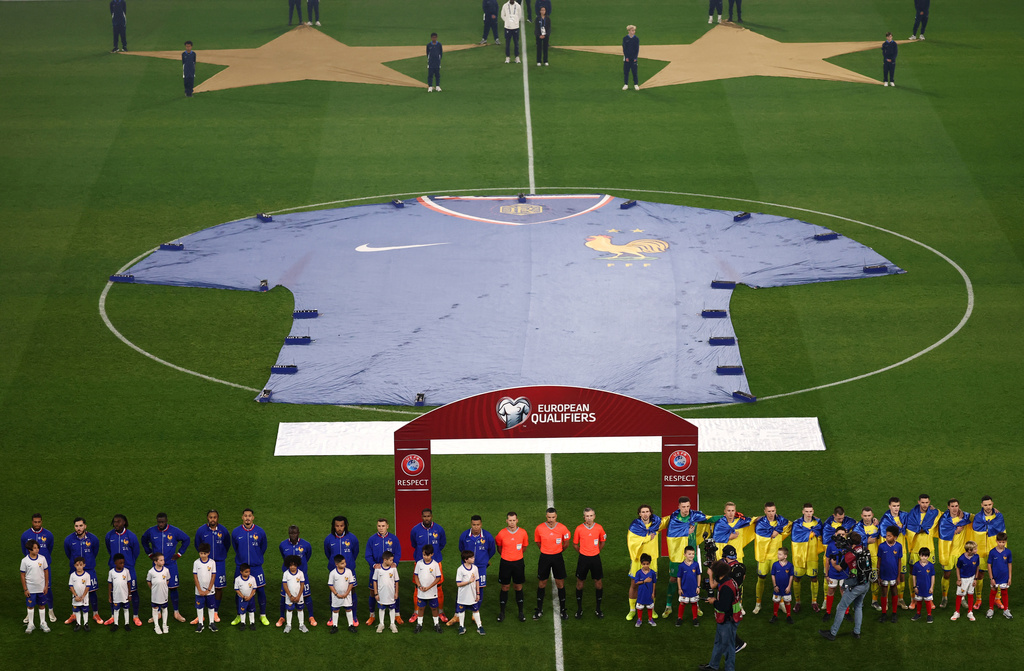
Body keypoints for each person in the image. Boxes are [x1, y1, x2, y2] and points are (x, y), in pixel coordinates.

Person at [660, 497, 708, 618]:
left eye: (688, 506)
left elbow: (709, 518)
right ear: (679, 507)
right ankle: (668, 605)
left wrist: (725, 517)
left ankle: (696, 606)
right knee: (673, 579)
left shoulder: (694, 516)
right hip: (677, 554)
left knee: (693, 577)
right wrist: (686, 531)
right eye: (683, 507)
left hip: (691, 553)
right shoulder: (674, 519)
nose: (686, 509)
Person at [818, 532, 870, 640]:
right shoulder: (865, 549)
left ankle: (832, 633)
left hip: (855, 585)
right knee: (858, 606)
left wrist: (833, 563)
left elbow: (839, 568)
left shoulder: (849, 555)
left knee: (841, 607)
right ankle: (857, 632)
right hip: (865, 583)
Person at [141, 512, 190, 624]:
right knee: (156, 588)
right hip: (156, 566)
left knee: (173, 588)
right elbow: (143, 540)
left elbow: (186, 539)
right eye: (159, 522)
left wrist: (179, 554)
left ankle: (176, 612)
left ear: (166, 521)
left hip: (170, 565)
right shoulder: (151, 531)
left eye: (162, 522)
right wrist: (149, 553)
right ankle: (157, 613)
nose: (161, 524)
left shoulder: (174, 531)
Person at [698, 560, 740, 671]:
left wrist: (713, 601)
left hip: (727, 620)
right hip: (728, 619)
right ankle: (713, 665)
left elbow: (723, 607)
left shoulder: (726, 588)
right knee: (719, 643)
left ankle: (729, 669)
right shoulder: (729, 581)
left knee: (728, 647)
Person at [231, 508, 269, 625]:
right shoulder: (236, 532)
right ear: (242, 517)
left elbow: (263, 547)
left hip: (256, 567)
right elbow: (235, 547)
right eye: (245, 516)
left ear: (253, 518)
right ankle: (239, 615)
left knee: (261, 590)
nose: (247, 518)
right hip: (241, 567)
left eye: (249, 516)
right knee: (239, 591)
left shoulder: (260, 532)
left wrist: (256, 558)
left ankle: (263, 615)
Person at [409, 508, 447, 622]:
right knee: (417, 588)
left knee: (439, 588)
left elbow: (442, 544)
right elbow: (413, 544)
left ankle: (440, 612)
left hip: (436, 562)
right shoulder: (415, 530)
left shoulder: (439, 529)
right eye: (425, 516)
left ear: (432, 516)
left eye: (428, 516)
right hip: (419, 563)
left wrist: (433, 556)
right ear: (422, 517)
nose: (427, 518)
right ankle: (416, 612)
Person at [63, 517, 103, 624]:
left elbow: (95, 552)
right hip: (75, 571)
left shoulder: (93, 539)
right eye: (76, 526)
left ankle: (95, 614)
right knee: (74, 592)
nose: (79, 528)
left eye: (81, 526)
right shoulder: (68, 540)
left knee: (92, 592)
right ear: (74, 527)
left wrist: (88, 563)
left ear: (85, 526)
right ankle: (74, 615)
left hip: (89, 570)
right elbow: (68, 553)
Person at [969, 495, 1006, 610]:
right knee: (980, 575)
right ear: (982, 505)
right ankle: (978, 599)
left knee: (998, 575)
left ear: (992, 504)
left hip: (996, 552)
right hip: (981, 552)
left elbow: (1001, 532)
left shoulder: (999, 517)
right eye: (985, 505)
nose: (988, 507)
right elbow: (976, 530)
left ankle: (997, 598)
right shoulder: (978, 518)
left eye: (989, 504)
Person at [751, 502, 789, 615]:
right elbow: (767, 534)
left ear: (775, 510)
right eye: (769, 511)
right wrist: (776, 531)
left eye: (773, 511)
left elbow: (793, 525)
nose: (771, 513)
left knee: (780, 580)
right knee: (761, 579)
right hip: (764, 557)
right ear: (764, 511)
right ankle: (758, 604)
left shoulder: (782, 521)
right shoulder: (760, 524)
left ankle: (781, 602)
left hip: (777, 557)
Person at [104, 514, 142, 627]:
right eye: (115, 522)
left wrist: (129, 562)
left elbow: (136, 552)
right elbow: (109, 549)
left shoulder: (131, 536)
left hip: (129, 569)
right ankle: (113, 616)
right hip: (114, 568)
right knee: (113, 591)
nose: (116, 524)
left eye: (118, 522)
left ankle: (135, 616)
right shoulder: (109, 536)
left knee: (133, 591)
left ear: (124, 522)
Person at [534, 507, 571, 620]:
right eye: (549, 517)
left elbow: (566, 543)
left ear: (556, 516)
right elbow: (538, 543)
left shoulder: (563, 528)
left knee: (560, 584)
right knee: (542, 583)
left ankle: (563, 610)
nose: (551, 519)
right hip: (544, 557)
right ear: (546, 516)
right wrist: (546, 550)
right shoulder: (539, 528)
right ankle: (539, 609)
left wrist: (557, 551)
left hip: (557, 557)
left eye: (553, 517)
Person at [365, 518, 403, 626]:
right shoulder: (372, 539)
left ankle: (397, 614)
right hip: (376, 571)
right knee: (373, 592)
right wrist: (373, 565)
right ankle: (372, 615)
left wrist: (395, 563)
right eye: (379, 526)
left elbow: (398, 553)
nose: (381, 528)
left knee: (394, 592)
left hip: (390, 571)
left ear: (387, 526)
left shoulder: (393, 539)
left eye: (383, 526)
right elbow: (368, 555)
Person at [195, 510, 231, 624]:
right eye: (210, 517)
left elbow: (227, 544)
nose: (213, 519)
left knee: (219, 587)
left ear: (218, 519)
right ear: (207, 518)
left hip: (219, 562)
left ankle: (215, 611)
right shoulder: (201, 531)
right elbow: (198, 545)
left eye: (215, 517)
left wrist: (221, 554)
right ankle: (201, 614)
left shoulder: (223, 530)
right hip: (205, 563)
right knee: (202, 586)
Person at [323, 515, 360, 626]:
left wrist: (349, 563)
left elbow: (355, 553)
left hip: (350, 571)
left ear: (345, 526)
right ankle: (333, 616)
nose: (339, 528)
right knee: (333, 591)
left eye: (342, 526)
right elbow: (328, 553)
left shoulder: (352, 538)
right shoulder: (328, 539)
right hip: (334, 571)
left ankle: (353, 616)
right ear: (334, 527)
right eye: (337, 526)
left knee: (352, 591)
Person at [21, 514, 57, 625]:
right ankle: (29, 611)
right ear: (32, 522)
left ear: (42, 522)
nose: (37, 524)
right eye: (35, 522)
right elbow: (24, 550)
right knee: (30, 589)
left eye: (39, 522)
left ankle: (50, 610)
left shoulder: (48, 535)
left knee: (48, 588)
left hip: (44, 567)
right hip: (31, 567)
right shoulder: (25, 535)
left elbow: (49, 548)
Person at [458, 514, 496, 620]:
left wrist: (484, 560)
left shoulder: (487, 536)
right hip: (467, 567)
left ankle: (475, 613)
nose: (476, 527)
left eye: (478, 525)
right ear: (471, 524)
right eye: (474, 525)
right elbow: (461, 548)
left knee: (480, 588)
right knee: (464, 587)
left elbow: (492, 550)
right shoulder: (465, 535)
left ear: (481, 524)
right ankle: (459, 612)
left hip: (480, 567)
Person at [277, 525, 316, 627]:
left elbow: (307, 557)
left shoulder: (306, 545)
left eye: (295, 533)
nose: (293, 535)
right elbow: (284, 558)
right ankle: (282, 617)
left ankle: (311, 616)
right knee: (283, 597)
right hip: (288, 577)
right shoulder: (283, 545)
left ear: (299, 533)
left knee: (307, 596)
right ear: (288, 533)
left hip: (301, 576)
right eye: (291, 533)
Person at [626, 504, 661, 619]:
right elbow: (632, 542)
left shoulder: (656, 524)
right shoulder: (634, 526)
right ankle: (632, 609)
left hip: (652, 559)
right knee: (634, 584)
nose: (645, 514)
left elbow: (670, 522)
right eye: (643, 512)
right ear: (639, 514)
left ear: (650, 513)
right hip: (638, 559)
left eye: (647, 511)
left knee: (652, 584)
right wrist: (647, 538)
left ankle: (652, 609)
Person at [936, 498, 972, 607]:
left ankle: (962, 598)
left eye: (956, 506)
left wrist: (994, 510)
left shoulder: (964, 517)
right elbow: (943, 532)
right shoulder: (944, 520)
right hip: (949, 553)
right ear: (948, 507)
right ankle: (944, 597)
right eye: (952, 506)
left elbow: (977, 517)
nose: (955, 508)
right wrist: (956, 530)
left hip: (961, 553)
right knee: (947, 575)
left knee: (963, 577)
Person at [573, 507, 607, 619]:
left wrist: (596, 551)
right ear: (584, 517)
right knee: (580, 583)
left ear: (594, 516)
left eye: (591, 515)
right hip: (583, 559)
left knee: (598, 583)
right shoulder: (579, 529)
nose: (589, 518)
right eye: (587, 516)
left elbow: (602, 541)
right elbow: (575, 544)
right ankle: (579, 609)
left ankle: (598, 609)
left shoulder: (599, 528)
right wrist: (583, 553)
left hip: (595, 559)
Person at [495, 511, 528, 622]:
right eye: (510, 520)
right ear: (506, 521)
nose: (512, 522)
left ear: (517, 520)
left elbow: (524, 547)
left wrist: (515, 555)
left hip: (518, 563)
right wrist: (507, 555)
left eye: (514, 520)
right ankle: (502, 612)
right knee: (505, 587)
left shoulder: (523, 533)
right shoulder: (501, 533)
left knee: (518, 587)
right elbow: (499, 548)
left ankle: (521, 612)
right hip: (505, 563)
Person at [879, 496, 912, 608]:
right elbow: (885, 537)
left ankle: (900, 599)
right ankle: (887, 601)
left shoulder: (904, 516)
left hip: (902, 552)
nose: (896, 508)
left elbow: (915, 520)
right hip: (889, 554)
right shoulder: (885, 519)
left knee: (901, 576)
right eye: (894, 506)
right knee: (887, 578)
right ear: (889, 506)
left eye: (898, 505)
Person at [790, 503, 823, 613]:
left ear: (813, 512)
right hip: (799, 557)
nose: (808, 514)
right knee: (797, 578)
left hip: (812, 556)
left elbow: (823, 530)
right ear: (803, 512)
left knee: (814, 578)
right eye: (806, 511)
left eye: (810, 511)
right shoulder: (797, 524)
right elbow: (795, 536)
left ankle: (814, 602)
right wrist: (809, 534)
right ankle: (797, 602)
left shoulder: (817, 523)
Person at [852, 507, 882, 610]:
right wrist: (866, 541)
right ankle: (859, 602)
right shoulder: (857, 528)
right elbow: (854, 542)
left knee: (874, 579)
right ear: (861, 516)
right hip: (861, 558)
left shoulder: (877, 527)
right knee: (861, 579)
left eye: (869, 515)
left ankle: (874, 601)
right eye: (865, 515)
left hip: (874, 556)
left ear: (872, 515)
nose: (867, 518)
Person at [21, 540, 50, 634]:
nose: (37, 550)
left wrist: (46, 586)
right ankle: (31, 624)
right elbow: (22, 575)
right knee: (30, 606)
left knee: (42, 605)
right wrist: (25, 589)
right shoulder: (25, 561)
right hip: (30, 589)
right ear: (29, 549)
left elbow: (46, 572)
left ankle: (43, 623)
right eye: (34, 548)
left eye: (37, 548)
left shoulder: (42, 559)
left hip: (41, 588)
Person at [413, 544, 443, 633]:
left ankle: (436, 624)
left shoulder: (435, 565)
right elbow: (416, 576)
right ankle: (419, 624)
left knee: (434, 608)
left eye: (427, 555)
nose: (425, 557)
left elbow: (438, 578)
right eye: (424, 555)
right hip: (421, 591)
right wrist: (419, 586)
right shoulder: (419, 563)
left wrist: (429, 587)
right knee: (421, 608)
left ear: (432, 554)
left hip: (432, 592)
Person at [821, 527, 849, 622]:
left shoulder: (848, 545)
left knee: (844, 592)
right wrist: (826, 574)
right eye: (839, 534)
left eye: (843, 534)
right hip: (833, 574)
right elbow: (827, 561)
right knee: (831, 591)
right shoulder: (830, 545)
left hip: (844, 573)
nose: (841, 536)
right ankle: (828, 612)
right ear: (835, 534)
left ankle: (847, 612)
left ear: (845, 535)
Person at [876, 525, 903, 623]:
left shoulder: (899, 546)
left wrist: (898, 576)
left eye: (889, 536)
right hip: (883, 574)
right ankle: (884, 613)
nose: (887, 537)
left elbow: (899, 562)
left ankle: (894, 613)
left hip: (894, 575)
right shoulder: (882, 546)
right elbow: (879, 561)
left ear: (895, 537)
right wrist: (878, 576)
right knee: (883, 593)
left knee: (894, 592)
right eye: (886, 535)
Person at [455, 550, 485, 635]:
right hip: (463, 596)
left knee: (476, 610)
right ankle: (461, 626)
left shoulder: (475, 568)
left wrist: (478, 593)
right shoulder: (460, 570)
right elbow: (458, 584)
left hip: (472, 595)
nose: (473, 559)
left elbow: (477, 581)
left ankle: (479, 626)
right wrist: (469, 581)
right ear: (466, 559)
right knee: (461, 611)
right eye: (471, 558)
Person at [950, 540, 979, 621]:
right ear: (969, 550)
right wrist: (959, 579)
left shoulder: (976, 557)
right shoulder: (961, 558)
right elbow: (958, 568)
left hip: (972, 578)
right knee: (959, 595)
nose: (976, 550)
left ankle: (970, 612)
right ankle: (957, 612)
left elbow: (977, 567)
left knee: (970, 594)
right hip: (963, 579)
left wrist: (975, 579)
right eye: (975, 549)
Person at [371, 551, 400, 633]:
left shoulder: (394, 569)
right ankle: (381, 624)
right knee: (381, 608)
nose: (392, 562)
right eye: (391, 560)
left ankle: (392, 624)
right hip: (381, 594)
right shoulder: (378, 569)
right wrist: (376, 593)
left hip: (391, 593)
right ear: (385, 560)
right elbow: (375, 581)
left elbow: (397, 581)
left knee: (392, 608)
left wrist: (396, 592)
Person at [327, 555, 357, 633]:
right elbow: (330, 585)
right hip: (336, 596)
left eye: (345, 562)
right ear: (337, 564)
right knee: (335, 610)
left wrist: (347, 593)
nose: (345, 564)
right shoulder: (333, 573)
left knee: (348, 609)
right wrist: (336, 594)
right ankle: (335, 626)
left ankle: (351, 625)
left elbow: (351, 583)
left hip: (347, 596)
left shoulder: (348, 571)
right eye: (342, 563)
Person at [986, 532, 1012, 619]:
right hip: (995, 576)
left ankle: (1006, 610)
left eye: (1003, 542)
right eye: (1000, 542)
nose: (1001, 544)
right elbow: (989, 565)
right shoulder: (992, 552)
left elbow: (1009, 564)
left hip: (1004, 576)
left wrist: (1010, 577)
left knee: (1004, 593)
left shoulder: (1008, 552)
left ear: (1006, 542)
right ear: (996, 541)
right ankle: (990, 609)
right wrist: (991, 578)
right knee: (993, 591)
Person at [193, 543, 217, 633]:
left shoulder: (212, 563)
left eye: (204, 553)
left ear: (208, 553)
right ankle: (200, 623)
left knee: (211, 607)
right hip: (199, 591)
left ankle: (211, 623)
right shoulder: (196, 563)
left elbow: (213, 576)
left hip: (210, 591)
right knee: (199, 607)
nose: (203, 555)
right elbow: (195, 577)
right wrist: (199, 589)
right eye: (201, 553)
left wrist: (208, 589)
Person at [675, 545, 702, 626]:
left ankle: (695, 618)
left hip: (694, 588)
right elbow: (679, 577)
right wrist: (679, 588)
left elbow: (699, 575)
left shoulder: (696, 564)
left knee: (694, 603)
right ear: (685, 554)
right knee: (682, 603)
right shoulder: (681, 566)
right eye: (689, 554)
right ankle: (679, 618)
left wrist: (698, 586)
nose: (691, 556)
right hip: (684, 589)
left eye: (693, 554)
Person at [145, 553, 171, 635]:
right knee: (155, 609)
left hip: (164, 594)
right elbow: (149, 582)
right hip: (155, 595)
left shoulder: (166, 570)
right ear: (155, 562)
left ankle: (164, 625)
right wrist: (153, 589)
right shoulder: (151, 572)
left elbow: (167, 580)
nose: (163, 561)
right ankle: (156, 626)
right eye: (161, 560)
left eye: (163, 559)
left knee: (164, 608)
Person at [282, 556, 308, 633]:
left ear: (297, 565)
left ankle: (301, 625)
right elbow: (285, 585)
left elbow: (302, 585)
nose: (292, 567)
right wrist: (290, 596)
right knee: (289, 610)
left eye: (294, 565)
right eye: (290, 565)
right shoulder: (286, 574)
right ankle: (288, 625)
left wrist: (299, 596)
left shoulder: (300, 573)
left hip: (299, 596)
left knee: (300, 609)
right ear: (288, 565)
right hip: (289, 597)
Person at [910, 546, 936, 622]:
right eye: (922, 556)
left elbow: (933, 576)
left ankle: (929, 615)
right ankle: (918, 614)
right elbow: (914, 576)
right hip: (919, 587)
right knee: (919, 601)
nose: (923, 558)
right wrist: (914, 586)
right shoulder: (916, 565)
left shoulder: (931, 566)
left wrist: (931, 587)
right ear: (919, 555)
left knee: (928, 601)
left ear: (928, 556)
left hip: (927, 587)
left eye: (925, 556)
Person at [107, 553, 132, 632]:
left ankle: (127, 623)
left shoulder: (126, 571)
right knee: (116, 610)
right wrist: (109, 596)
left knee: (126, 609)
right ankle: (116, 624)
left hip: (125, 595)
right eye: (120, 563)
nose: (122, 564)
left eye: (123, 563)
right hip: (116, 595)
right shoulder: (111, 572)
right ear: (115, 563)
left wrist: (129, 594)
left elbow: (128, 583)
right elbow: (110, 584)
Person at [769, 547, 794, 624]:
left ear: (785, 556)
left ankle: (788, 616)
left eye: (780, 554)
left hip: (786, 588)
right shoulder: (775, 565)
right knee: (776, 601)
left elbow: (791, 576)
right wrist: (774, 586)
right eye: (778, 554)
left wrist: (789, 586)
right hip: (777, 588)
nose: (778, 556)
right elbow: (772, 575)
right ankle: (775, 615)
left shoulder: (790, 565)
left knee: (787, 601)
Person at [633, 553, 657, 627]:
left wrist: (653, 593)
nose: (646, 565)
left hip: (649, 593)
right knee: (640, 606)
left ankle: (650, 619)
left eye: (647, 564)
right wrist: (644, 581)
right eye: (644, 564)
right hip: (641, 594)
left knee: (650, 606)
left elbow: (654, 583)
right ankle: (639, 619)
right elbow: (636, 582)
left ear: (650, 563)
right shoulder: (639, 573)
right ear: (641, 563)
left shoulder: (653, 573)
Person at [69, 557, 91, 632]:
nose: (79, 567)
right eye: (77, 565)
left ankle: (86, 623)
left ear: (84, 565)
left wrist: (83, 596)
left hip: (84, 598)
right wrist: (75, 595)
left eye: (81, 565)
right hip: (76, 598)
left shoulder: (87, 575)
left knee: (85, 610)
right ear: (75, 565)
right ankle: (78, 623)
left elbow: (88, 586)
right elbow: (71, 586)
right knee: (77, 610)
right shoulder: (72, 575)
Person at [234, 563, 259, 631]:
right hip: (242, 599)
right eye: (246, 572)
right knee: (242, 611)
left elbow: (254, 588)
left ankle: (252, 623)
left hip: (251, 598)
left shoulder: (252, 579)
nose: (248, 573)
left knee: (251, 611)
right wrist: (243, 596)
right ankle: (243, 623)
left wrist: (250, 596)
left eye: (249, 571)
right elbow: (236, 589)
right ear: (241, 572)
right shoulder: (237, 579)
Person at [501, 0, 523, 64]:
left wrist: (515, 21)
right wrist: (507, 21)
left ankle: (517, 57)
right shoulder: (505, 6)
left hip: (515, 27)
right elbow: (502, 15)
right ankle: (507, 57)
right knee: (507, 43)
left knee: (516, 43)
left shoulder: (518, 6)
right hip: (507, 27)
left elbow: (520, 15)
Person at [622, 25, 639, 91]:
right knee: (626, 72)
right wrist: (626, 57)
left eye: (634, 30)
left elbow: (637, 49)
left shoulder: (636, 39)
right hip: (627, 58)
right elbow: (624, 49)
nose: (633, 32)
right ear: (629, 31)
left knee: (634, 72)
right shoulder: (625, 38)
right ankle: (626, 84)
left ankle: (636, 84)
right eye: (632, 30)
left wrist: (635, 57)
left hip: (633, 58)